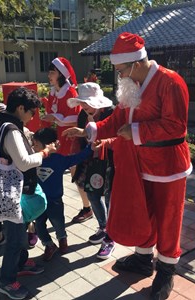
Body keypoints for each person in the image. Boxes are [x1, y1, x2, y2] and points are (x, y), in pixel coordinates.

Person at [63, 32, 192, 299]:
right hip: (139, 163)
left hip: (168, 166)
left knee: (169, 218)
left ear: (136, 63)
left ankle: (166, 270)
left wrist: (134, 132)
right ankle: (143, 259)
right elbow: (116, 119)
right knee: (142, 212)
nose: (119, 76)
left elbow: (175, 126)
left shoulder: (171, 82)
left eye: (121, 70)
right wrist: (88, 130)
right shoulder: (132, 86)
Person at [0, 87, 55, 300]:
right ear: (20, 108)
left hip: (9, 189)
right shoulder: (11, 130)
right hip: (13, 193)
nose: (32, 117)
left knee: (17, 236)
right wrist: (44, 153)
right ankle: (6, 281)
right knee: (14, 240)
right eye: (31, 112)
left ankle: (20, 264)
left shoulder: (1, 122)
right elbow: (23, 162)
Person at [66, 82, 116, 260]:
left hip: (110, 161)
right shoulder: (82, 114)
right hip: (90, 160)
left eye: (87, 103)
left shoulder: (112, 112)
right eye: (82, 102)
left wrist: (100, 140)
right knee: (92, 194)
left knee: (110, 199)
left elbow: (119, 137)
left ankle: (111, 237)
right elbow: (84, 136)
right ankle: (103, 227)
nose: (84, 106)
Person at [41, 57, 93, 224]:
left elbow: (75, 117)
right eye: (49, 72)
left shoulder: (70, 92)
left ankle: (87, 208)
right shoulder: (53, 91)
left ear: (61, 74)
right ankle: (80, 206)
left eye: (52, 72)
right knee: (64, 171)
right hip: (60, 137)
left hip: (71, 137)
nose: (49, 75)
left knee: (75, 174)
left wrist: (54, 117)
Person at [32, 127, 93, 261]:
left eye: (36, 144)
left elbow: (77, 158)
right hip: (38, 201)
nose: (33, 147)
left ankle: (62, 240)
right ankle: (49, 245)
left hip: (55, 201)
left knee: (58, 223)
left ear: (48, 145)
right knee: (39, 227)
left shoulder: (58, 159)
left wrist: (91, 147)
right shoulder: (34, 160)